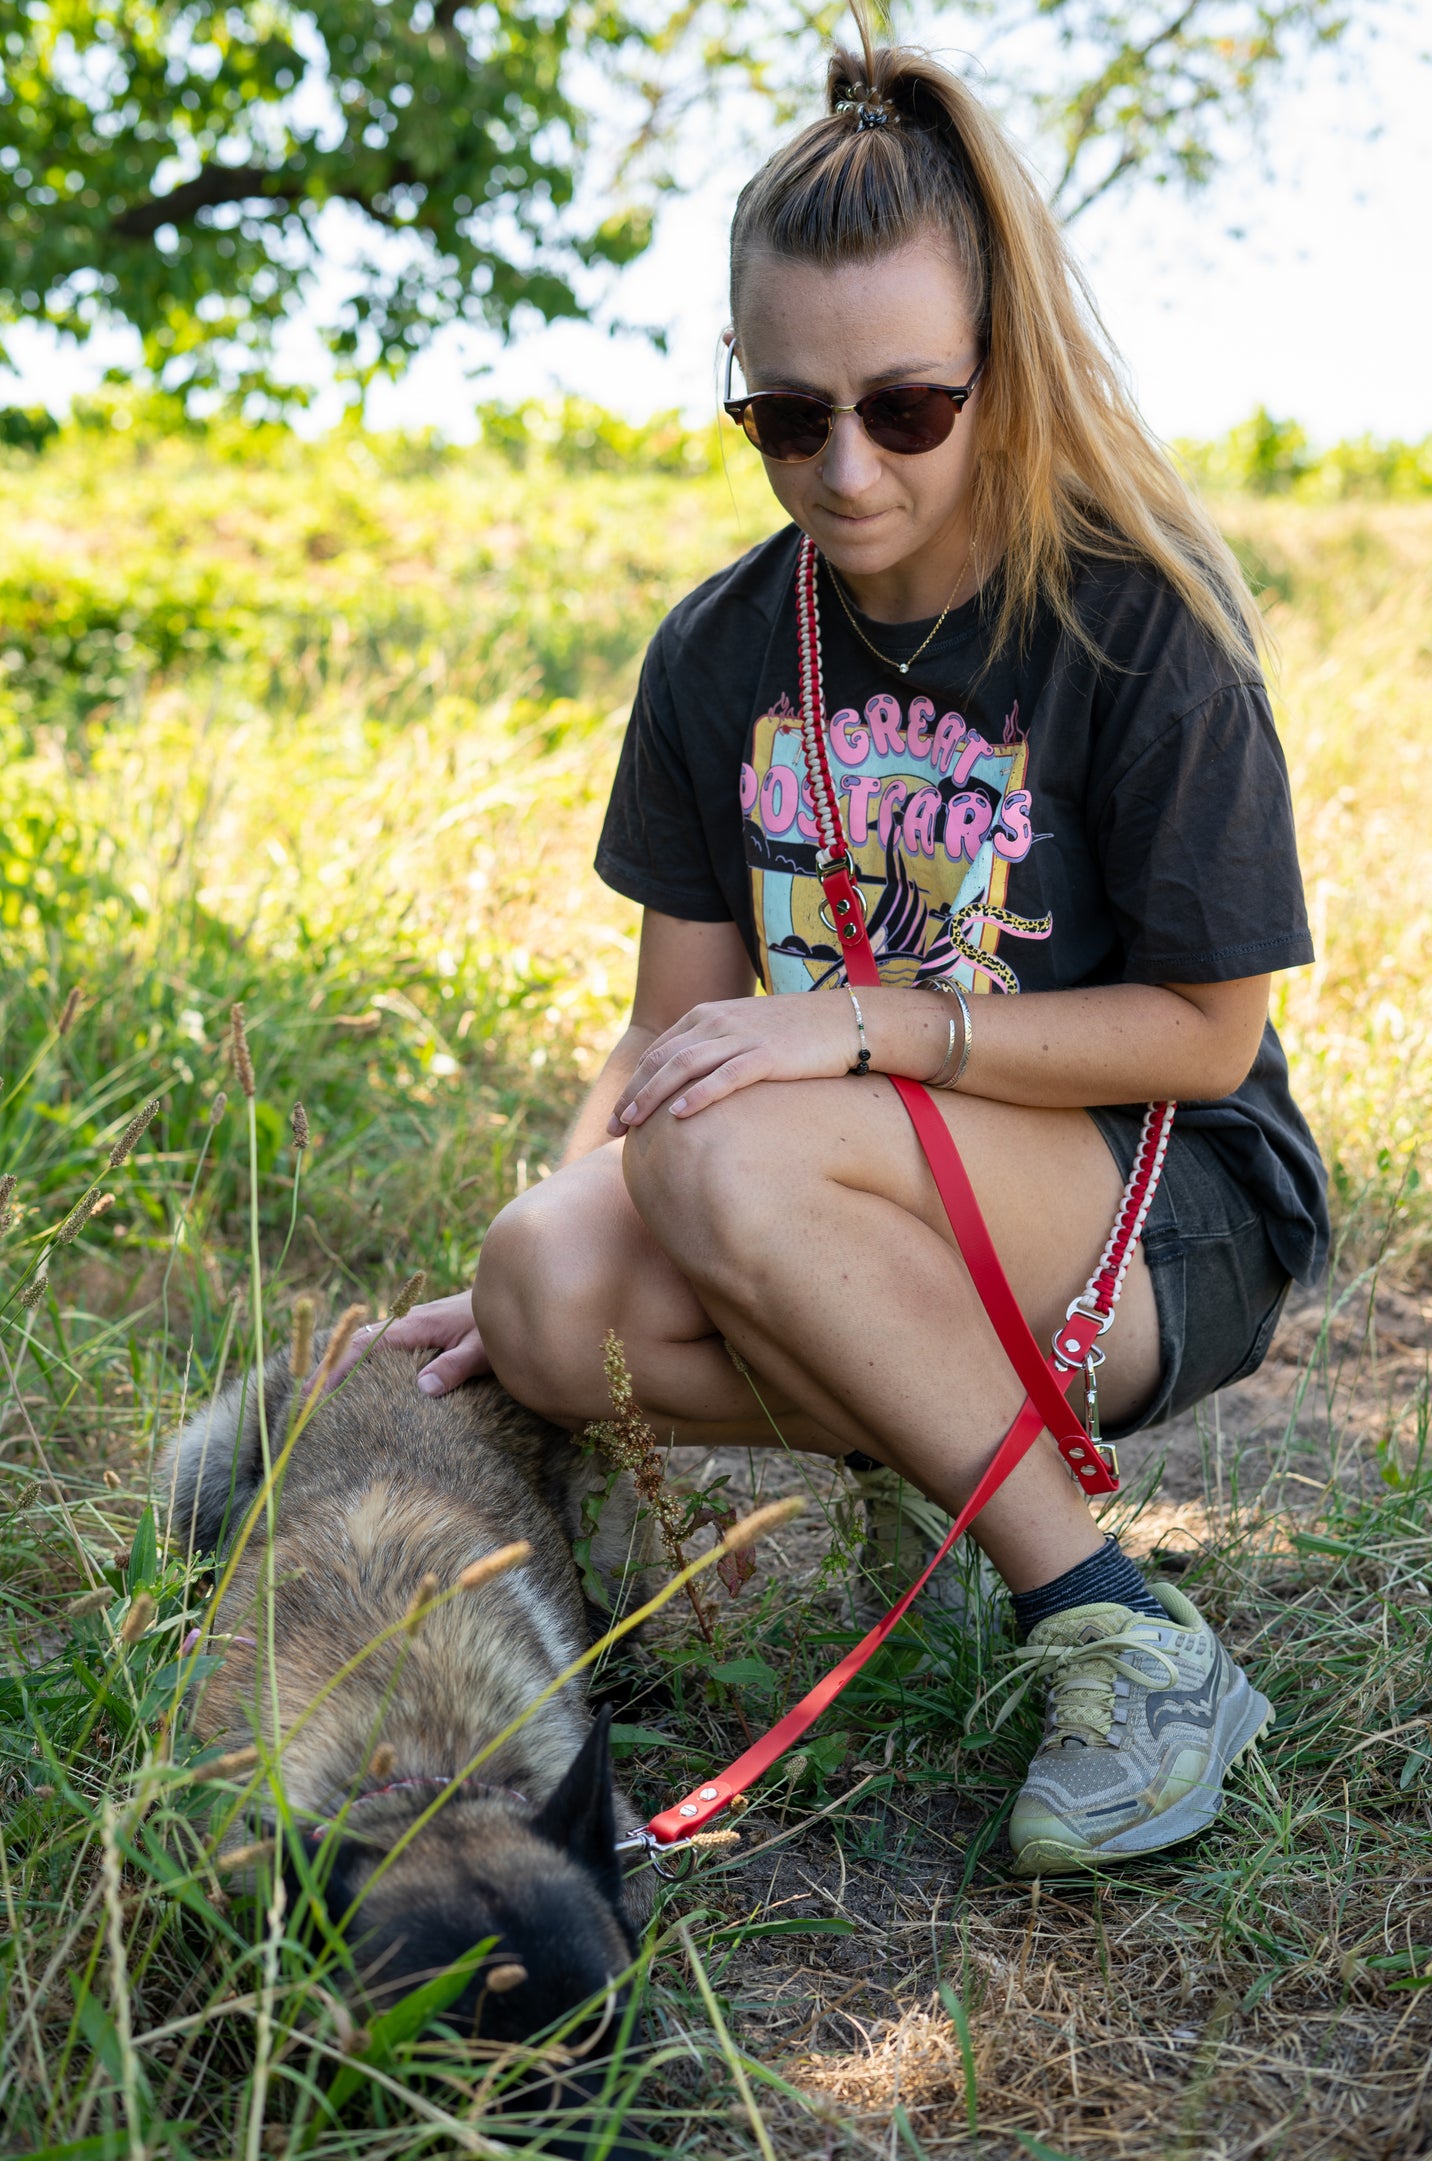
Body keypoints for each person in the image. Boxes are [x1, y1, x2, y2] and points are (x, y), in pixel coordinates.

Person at [339, 19, 1328, 1875]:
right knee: (552, 1288)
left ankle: (1108, 1622)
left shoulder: (1137, 625)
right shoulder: (721, 653)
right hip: (834, 1179)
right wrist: (535, 1306)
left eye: (904, 408)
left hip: (1158, 1202)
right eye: (785, 415)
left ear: (994, 372)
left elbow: (1206, 1035)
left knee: (718, 1145)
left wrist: (874, 1025)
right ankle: (946, 1450)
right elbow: (670, 1050)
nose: (844, 466)